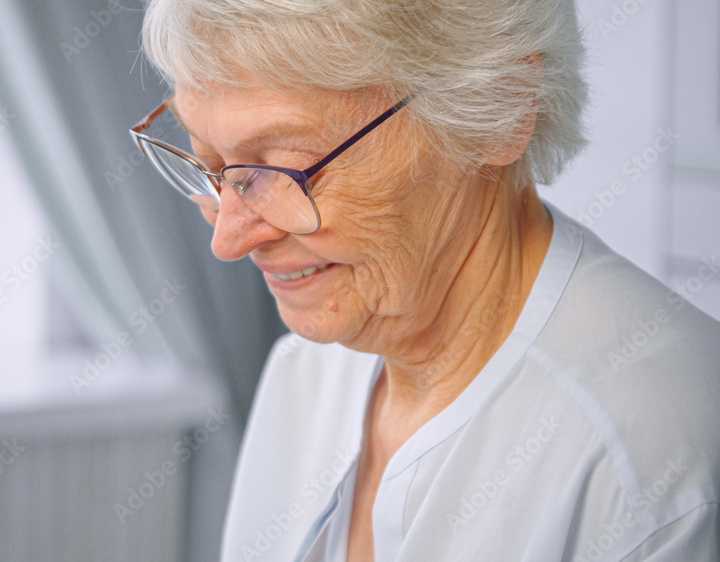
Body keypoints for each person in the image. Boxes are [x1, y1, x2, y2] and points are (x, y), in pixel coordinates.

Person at [128, 0, 720, 560]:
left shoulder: (656, 455)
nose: (227, 240)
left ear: (504, 109)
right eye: (207, 167)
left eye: (281, 170)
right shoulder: (303, 371)